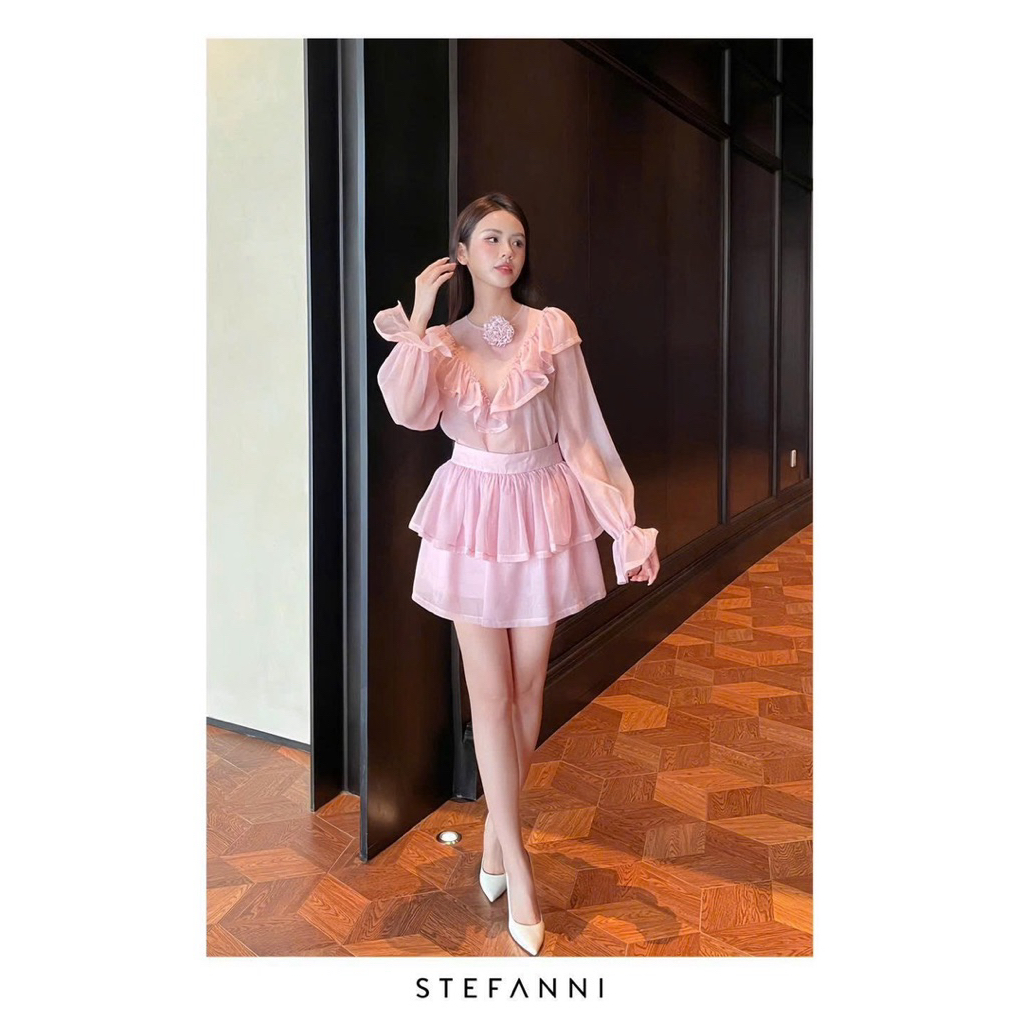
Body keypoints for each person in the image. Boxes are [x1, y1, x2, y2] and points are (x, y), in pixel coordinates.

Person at [372, 192, 660, 955]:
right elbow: (406, 410)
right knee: (490, 697)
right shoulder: (439, 343)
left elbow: (583, 435)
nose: (507, 252)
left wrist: (623, 525)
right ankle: (520, 866)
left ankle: (496, 839)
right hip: (470, 517)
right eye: (491, 239)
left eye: (518, 240)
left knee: (529, 688)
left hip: (543, 511)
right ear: (462, 253)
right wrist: (420, 316)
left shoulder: (551, 328)